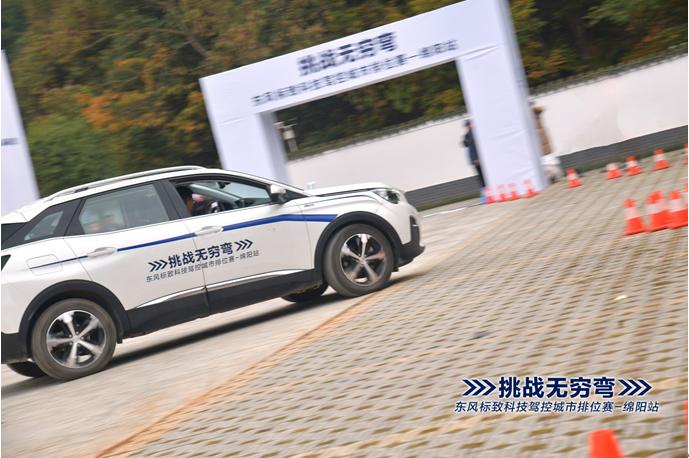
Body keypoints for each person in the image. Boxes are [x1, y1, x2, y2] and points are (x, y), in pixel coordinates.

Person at [462, 119, 485, 189]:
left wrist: (477, 158)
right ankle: (484, 189)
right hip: (474, 159)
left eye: (468, 124)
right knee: (480, 176)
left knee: (484, 174)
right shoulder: (467, 135)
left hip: (478, 158)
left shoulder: (476, 133)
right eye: (466, 125)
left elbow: (476, 146)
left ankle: (487, 188)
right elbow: (468, 146)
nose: (468, 126)